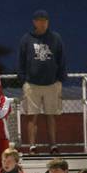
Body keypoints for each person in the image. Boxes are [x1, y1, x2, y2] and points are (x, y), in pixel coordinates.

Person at [18, 10, 67, 155]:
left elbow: (61, 58)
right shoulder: (27, 39)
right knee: (32, 115)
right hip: (32, 84)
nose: (42, 23)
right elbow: (21, 60)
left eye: (45, 20)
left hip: (51, 83)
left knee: (51, 115)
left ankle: (53, 146)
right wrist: (22, 78)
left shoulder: (55, 38)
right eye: (39, 20)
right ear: (34, 22)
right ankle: (32, 146)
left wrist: (60, 78)